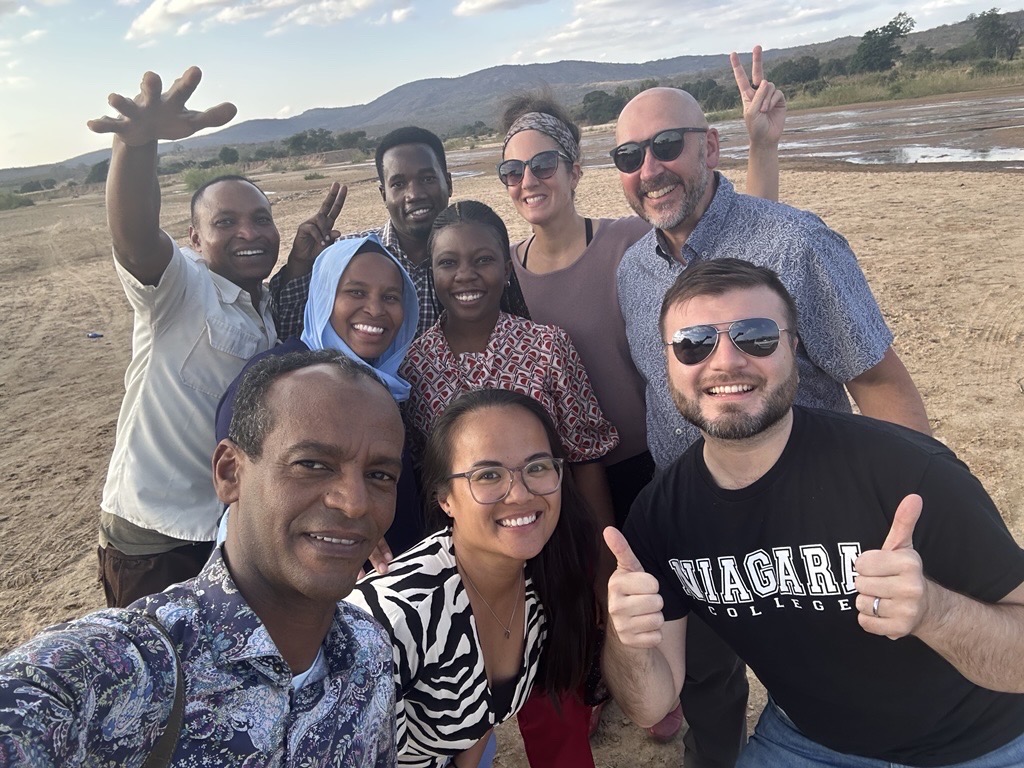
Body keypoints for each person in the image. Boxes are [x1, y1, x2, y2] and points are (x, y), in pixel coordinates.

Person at [612, 86, 932, 766]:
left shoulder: (795, 242)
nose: (650, 169)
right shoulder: (632, 273)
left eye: (667, 146)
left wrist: (908, 515)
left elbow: (879, 384)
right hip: (696, 530)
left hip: (816, 522)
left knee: (848, 677)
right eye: (629, 154)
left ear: (711, 146)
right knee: (706, 676)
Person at [602, 258, 1024, 767]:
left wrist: (936, 611)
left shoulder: (906, 471)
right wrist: (627, 637)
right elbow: (653, 702)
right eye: (694, 343)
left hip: (979, 745)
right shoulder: (661, 516)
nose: (725, 362)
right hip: (807, 742)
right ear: (668, 362)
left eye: (755, 336)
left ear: (793, 349)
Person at [496, 47, 786, 751]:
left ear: (573, 168)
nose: (529, 180)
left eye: (543, 164)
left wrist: (760, 147)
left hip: (657, 459)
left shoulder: (630, 241)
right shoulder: (501, 272)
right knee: (608, 596)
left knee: (690, 607)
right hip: (575, 474)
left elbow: (741, 260)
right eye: (513, 170)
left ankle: (695, 713)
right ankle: (614, 692)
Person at [0, 350, 402, 765]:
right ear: (230, 473)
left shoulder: (369, 650)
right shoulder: (128, 670)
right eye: (312, 464)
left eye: (379, 475)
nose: (355, 503)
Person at [86, 66, 348, 607]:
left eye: (260, 219)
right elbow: (134, 237)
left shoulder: (262, 302)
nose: (248, 233)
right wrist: (136, 148)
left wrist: (301, 260)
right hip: (158, 540)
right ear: (195, 238)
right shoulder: (178, 288)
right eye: (225, 223)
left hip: (231, 533)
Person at [347, 388, 601, 768]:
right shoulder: (392, 622)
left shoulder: (539, 580)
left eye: (537, 467)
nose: (519, 494)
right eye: (488, 475)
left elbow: (482, 717)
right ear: (445, 498)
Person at [215, 234, 424, 555]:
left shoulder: (388, 384)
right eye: (356, 292)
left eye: (391, 297)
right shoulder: (277, 379)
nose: (375, 309)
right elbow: (245, 495)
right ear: (324, 295)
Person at [271, 126, 529, 340]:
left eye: (427, 179)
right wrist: (301, 264)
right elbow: (291, 331)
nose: (414, 194)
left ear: (448, 183)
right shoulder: (352, 256)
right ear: (384, 194)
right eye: (398, 184)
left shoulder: (483, 256)